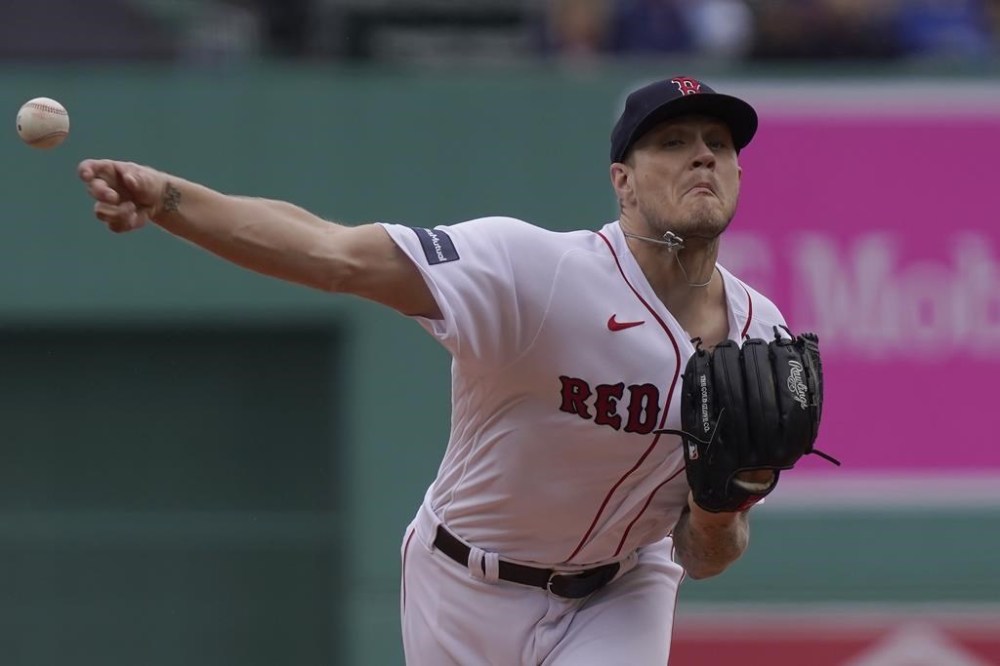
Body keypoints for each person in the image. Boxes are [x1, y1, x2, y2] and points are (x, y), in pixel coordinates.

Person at [78, 75, 790, 665]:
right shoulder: (535, 273)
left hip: (621, 591)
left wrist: (723, 502)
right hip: (465, 582)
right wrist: (171, 202)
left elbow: (706, 556)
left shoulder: (764, 338)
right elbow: (334, 254)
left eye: (717, 145)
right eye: (672, 142)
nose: (702, 157)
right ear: (623, 183)